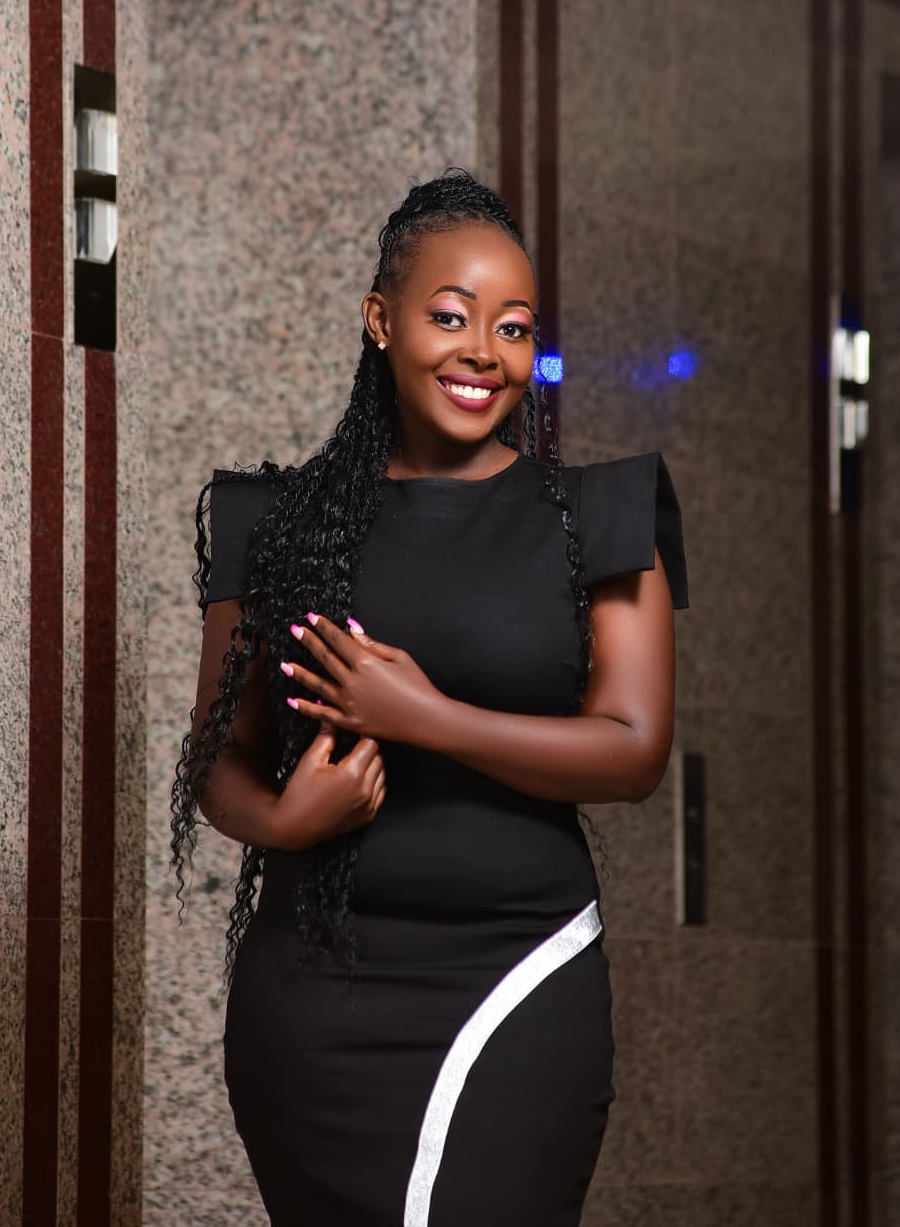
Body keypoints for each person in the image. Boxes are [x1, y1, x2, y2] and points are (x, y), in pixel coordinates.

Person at [171, 169, 688, 1226]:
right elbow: (219, 756)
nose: (483, 351)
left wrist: (425, 718)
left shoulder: (599, 515)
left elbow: (634, 751)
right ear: (380, 320)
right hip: (312, 999)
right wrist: (285, 821)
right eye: (450, 316)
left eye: (512, 327)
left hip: (517, 974)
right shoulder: (275, 523)